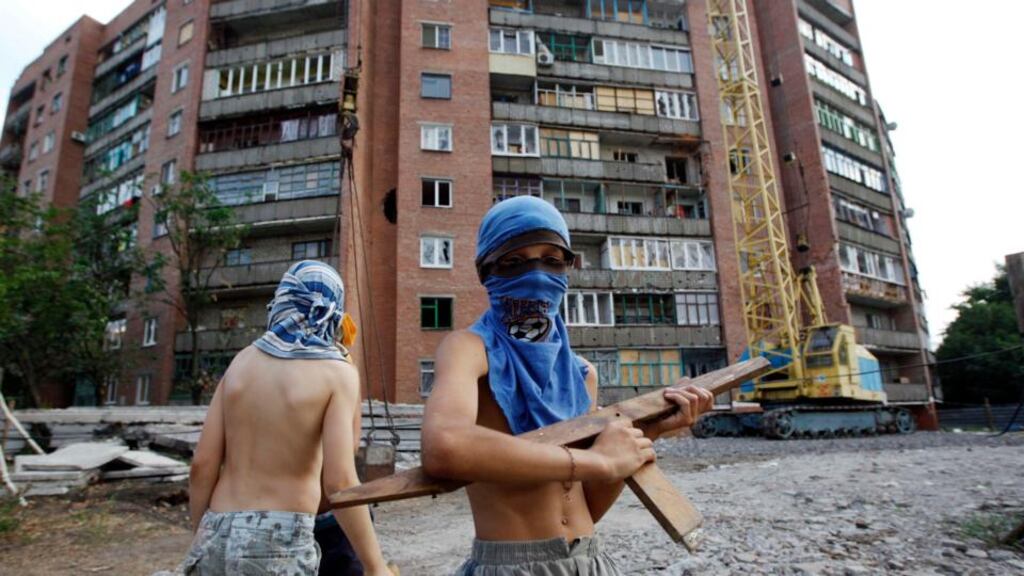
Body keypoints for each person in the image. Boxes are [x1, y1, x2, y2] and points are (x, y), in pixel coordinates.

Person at [422, 196, 715, 576]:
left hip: (589, 562)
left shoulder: (581, 375)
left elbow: (586, 501)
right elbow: (443, 446)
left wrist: (648, 432)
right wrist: (599, 459)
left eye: (552, 258)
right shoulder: (470, 350)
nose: (538, 274)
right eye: (514, 262)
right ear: (486, 272)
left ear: (568, 267)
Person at [179, 260, 392, 576]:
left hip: (215, 528)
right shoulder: (337, 374)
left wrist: (201, 534)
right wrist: (375, 567)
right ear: (334, 311)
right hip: (279, 537)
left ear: (281, 301)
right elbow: (340, 481)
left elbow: (202, 465)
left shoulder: (242, 362)